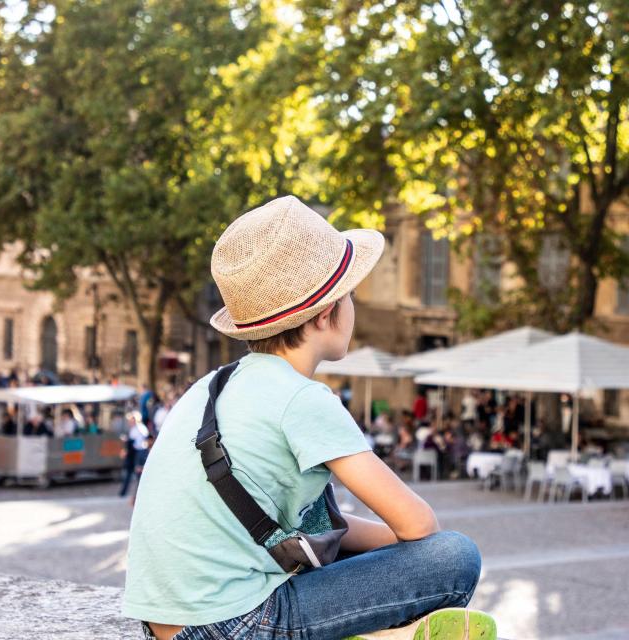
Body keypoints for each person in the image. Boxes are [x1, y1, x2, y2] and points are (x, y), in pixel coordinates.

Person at [122, 195, 493, 640]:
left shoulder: (213, 387)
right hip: (237, 625)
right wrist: (409, 554)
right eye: (350, 294)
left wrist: (388, 553)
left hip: (165, 628)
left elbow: (318, 530)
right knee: (454, 556)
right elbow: (419, 525)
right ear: (327, 314)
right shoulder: (303, 399)